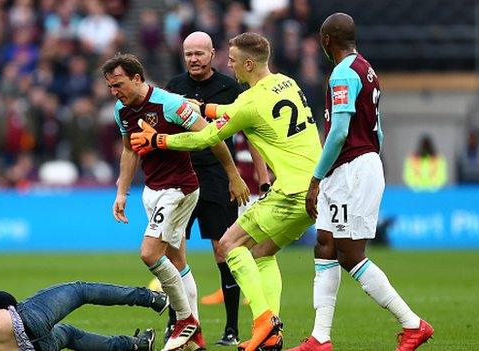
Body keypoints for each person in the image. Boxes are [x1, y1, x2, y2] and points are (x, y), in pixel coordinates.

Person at [130, 32, 322, 351]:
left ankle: (263, 321)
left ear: (248, 63)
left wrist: (159, 141)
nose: (229, 65)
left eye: (233, 60)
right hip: (314, 189)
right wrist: (203, 108)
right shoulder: (286, 83)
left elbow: (204, 139)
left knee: (230, 244)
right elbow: (233, 111)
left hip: (289, 192)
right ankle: (271, 334)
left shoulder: (249, 100)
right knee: (261, 253)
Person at [289, 13, 434, 351]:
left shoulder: (342, 73)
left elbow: (338, 131)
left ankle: (413, 324)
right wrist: (367, 159)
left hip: (350, 169)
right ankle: (320, 338)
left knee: (350, 254)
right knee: (324, 243)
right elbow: (378, 131)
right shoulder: (367, 70)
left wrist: (317, 178)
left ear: (327, 41)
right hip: (355, 165)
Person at [102, 53, 249, 351]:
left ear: (137, 79)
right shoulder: (122, 110)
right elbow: (129, 151)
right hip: (153, 191)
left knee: (149, 254)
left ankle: (185, 320)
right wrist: (122, 191)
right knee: (177, 262)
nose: (114, 92)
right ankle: (196, 338)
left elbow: (212, 136)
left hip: (179, 189)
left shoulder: (170, 104)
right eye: (110, 87)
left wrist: (233, 175)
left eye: (118, 85)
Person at [163, 31, 269, 347]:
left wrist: (261, 180)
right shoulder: (174, 87)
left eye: (199, 53)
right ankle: (177, 323)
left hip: (216, 177)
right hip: (179, 176)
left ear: (212, 54)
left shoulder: (230, 87)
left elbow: (251, 136)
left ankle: (232, 328)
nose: (193, 59)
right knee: (173, 252)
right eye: (188, 54)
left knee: (224, 250)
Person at [0, 268, 164, 351]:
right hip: (26, 322)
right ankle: (152, 298)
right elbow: (5, 297)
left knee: (69, 335)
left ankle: (136, 345)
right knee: (81, 289)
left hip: (28, 348)